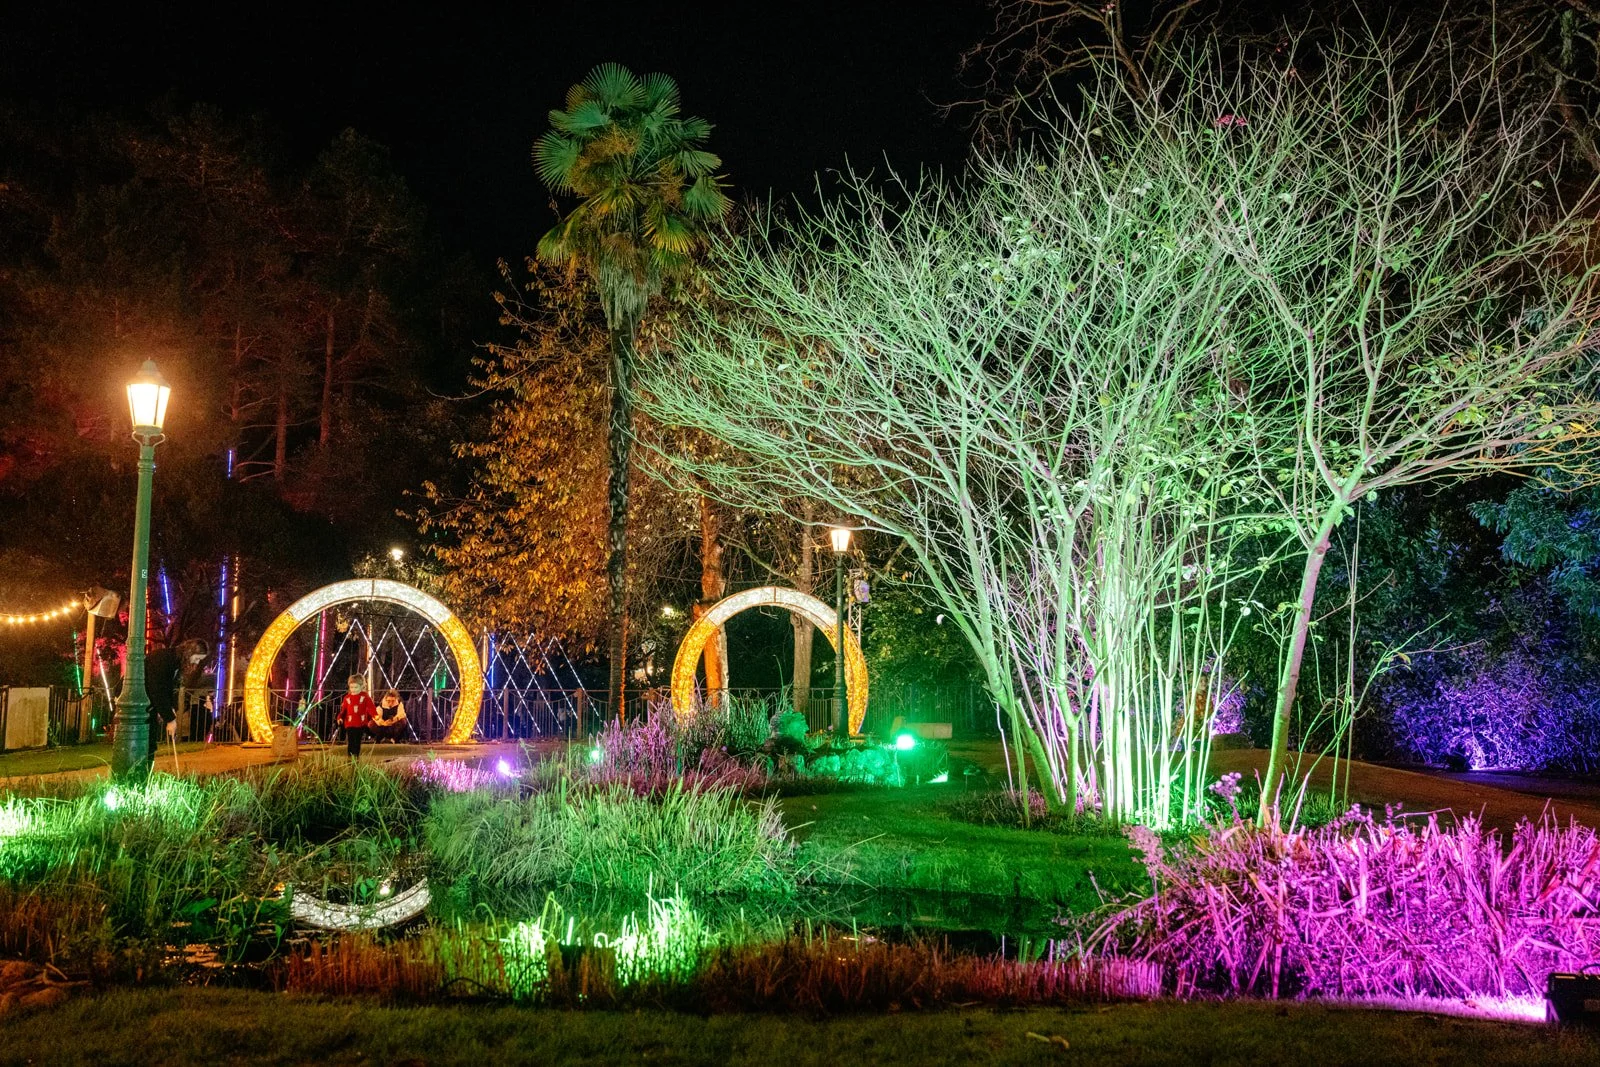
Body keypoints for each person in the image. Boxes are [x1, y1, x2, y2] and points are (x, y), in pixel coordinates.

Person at [340, 675, 377, 758]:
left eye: (356, 687)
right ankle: (350, 757)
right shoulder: (347, 698)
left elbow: (371, 707)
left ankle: (356, 756)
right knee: (350, 741)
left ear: (361, 687)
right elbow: (343, 710)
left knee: (357, 741)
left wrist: (375, 715)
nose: (353, 690)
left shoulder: (365, 697)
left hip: (360, 723)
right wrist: (340, 718)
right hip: (349, 723)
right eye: (351, 687)